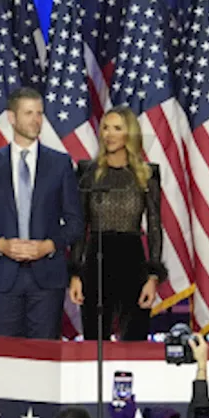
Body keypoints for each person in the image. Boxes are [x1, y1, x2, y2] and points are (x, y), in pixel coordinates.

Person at [0, 88, 83, 340]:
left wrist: (49, 246)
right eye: (28, 113)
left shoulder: (60, 163)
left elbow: (75, 222)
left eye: (39, 113)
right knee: (7, 357)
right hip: (2, 277)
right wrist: (1, 244)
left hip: (46, 277)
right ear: (11, 117)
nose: (36, 120)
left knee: (43, 357)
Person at [68, 108, 164, 342]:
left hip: (133, 261)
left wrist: (153, 277)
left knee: (134, 340)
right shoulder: (87, 173)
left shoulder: (147, 174)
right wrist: (75, 274)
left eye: (117, 128)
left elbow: (154, 227)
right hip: (96, 261)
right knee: (94, 340)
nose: (109, 134)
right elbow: (80, 226)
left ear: (129, 134)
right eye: (105, 128)